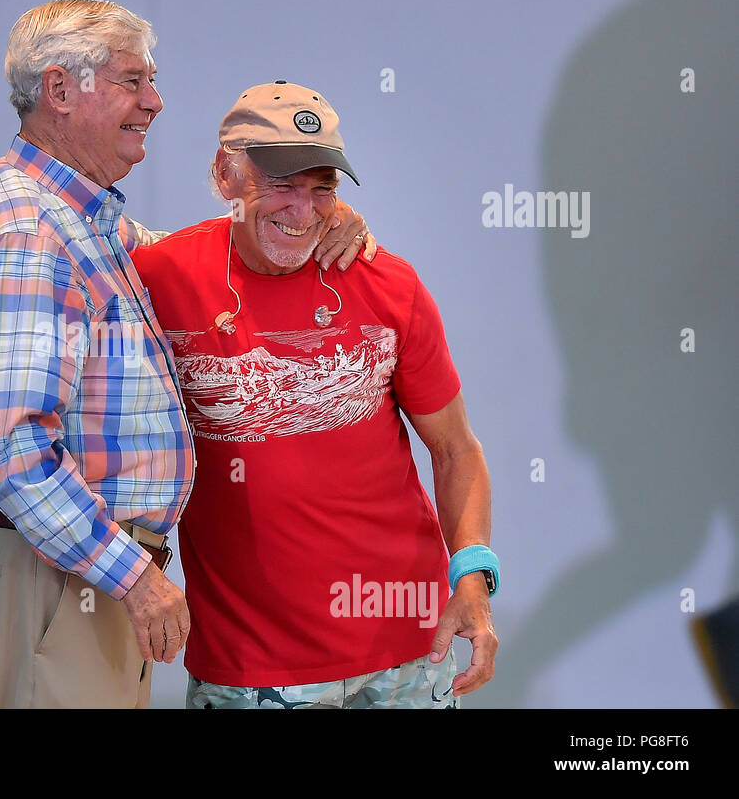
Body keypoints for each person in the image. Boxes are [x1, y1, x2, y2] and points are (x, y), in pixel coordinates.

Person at [0, 1, 375, 708]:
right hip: (63, 581)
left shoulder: (84, 220)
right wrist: (136, 579)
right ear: (59, 91)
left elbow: (201, 256)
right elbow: (15, 452)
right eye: (132, 81)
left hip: (80, 575)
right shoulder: (31, 231)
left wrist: (310, 210)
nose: (155, 101)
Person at [130, 82, 499, 708]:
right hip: (251, 670)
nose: (303, 211)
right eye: (280, 182)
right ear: (224, 173)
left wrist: (472, 577)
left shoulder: (389, 283)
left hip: (408, 652)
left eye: (322, 186)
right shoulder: (157, 278)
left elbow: (457, 450)